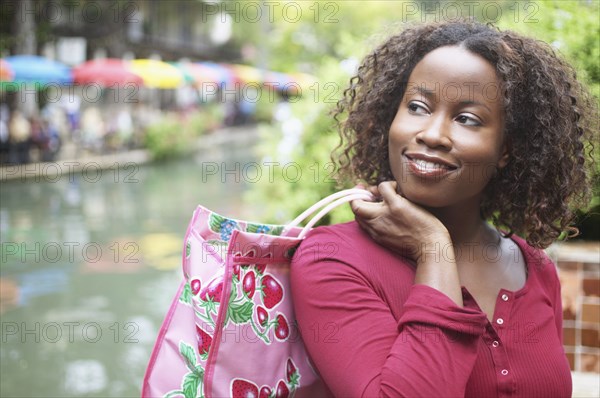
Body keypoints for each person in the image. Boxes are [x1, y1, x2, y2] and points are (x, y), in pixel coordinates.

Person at [290, 20, 597, 397]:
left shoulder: (535, 267)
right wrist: (433, 248)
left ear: (506, 150)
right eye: (418, 107)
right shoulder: (332, 259)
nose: (432, 134)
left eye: (467, 118)